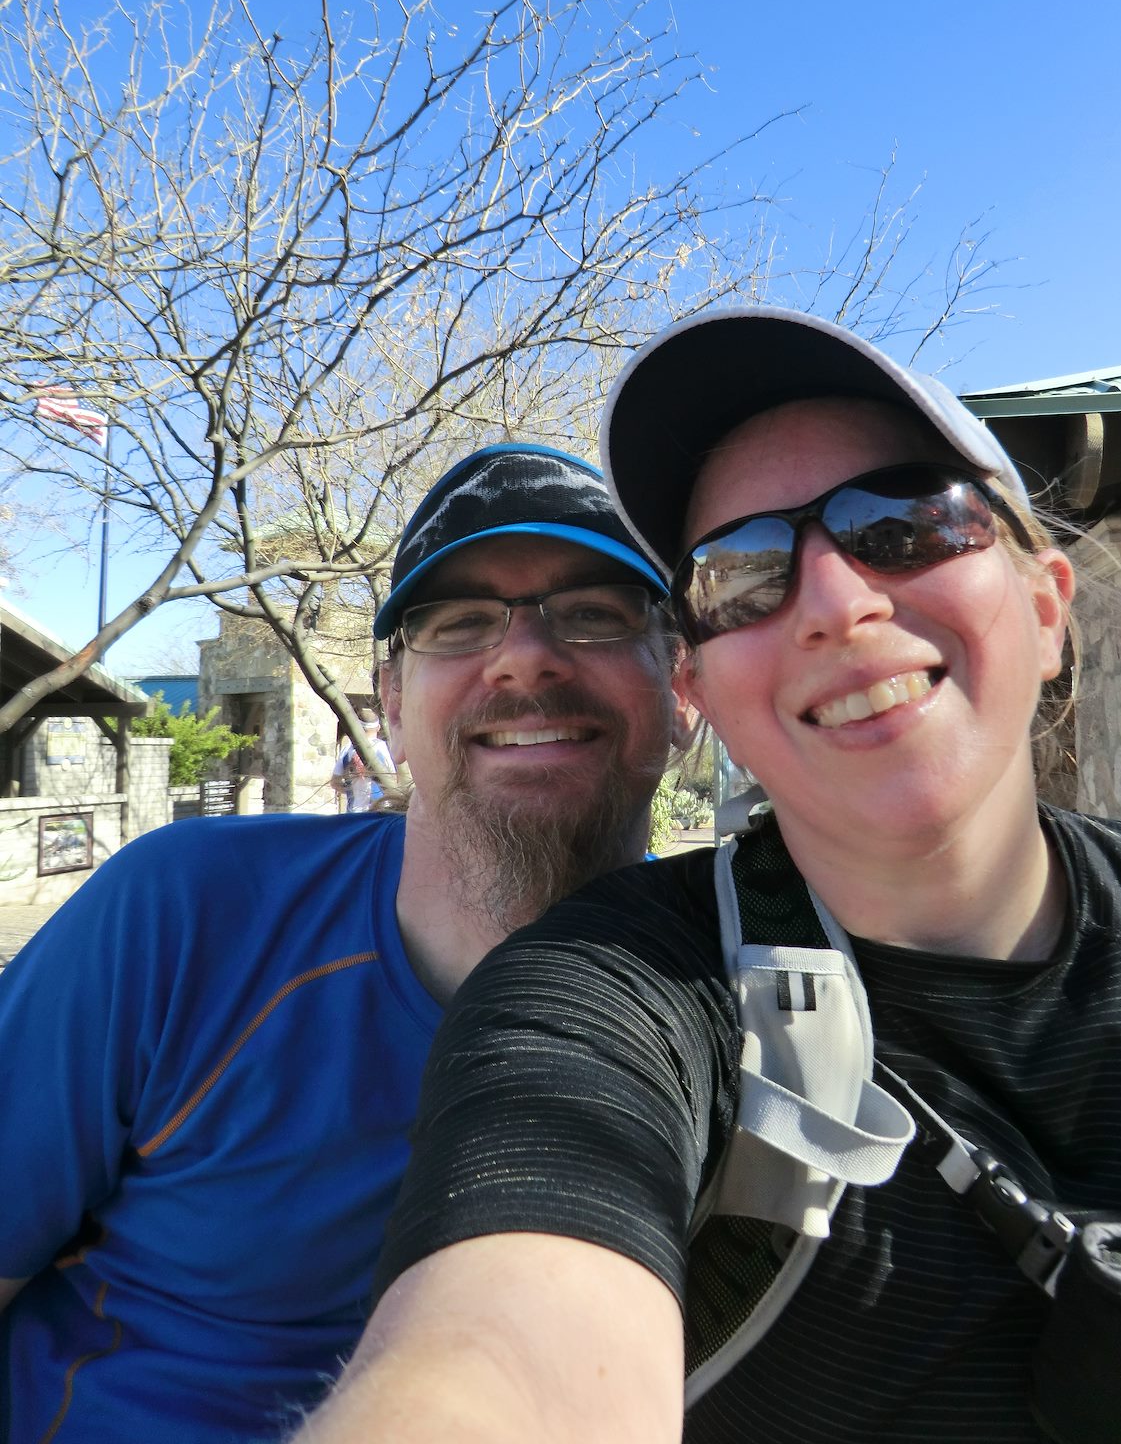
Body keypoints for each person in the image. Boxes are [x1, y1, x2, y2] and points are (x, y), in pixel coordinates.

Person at [302, 309, 1121, 1444]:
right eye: (741, 573)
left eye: (906, 522)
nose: (834, 602)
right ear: (703, 687)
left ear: (1045, 605)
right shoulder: (617, 998)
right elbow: (502, 1352)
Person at [0, 442, 685, 1444]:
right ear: (392, 705)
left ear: (683, 685)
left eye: (595, 613)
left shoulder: (757, 995)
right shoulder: (185, 913)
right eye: (457, 624)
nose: (526, 654)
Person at [330, 712, 396, 811]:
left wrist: (351, 790)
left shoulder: (347, 749)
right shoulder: (383, 748)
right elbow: (394, 778)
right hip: (378, 811)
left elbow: (335, 782)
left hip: (353, 811)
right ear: (378, 727)